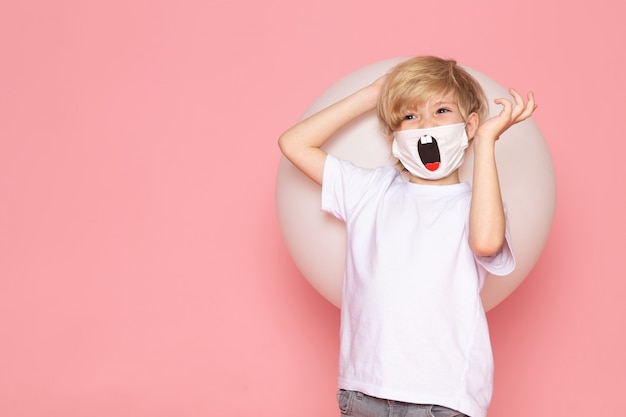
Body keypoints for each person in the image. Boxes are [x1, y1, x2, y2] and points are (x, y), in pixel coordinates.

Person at [278, 56, 536, 417]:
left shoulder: (478, 205)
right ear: (392, 135)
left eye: (442, 110)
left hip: (443, 397)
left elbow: (486, 243)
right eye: (410, 116)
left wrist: (486, 142)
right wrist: (373, 95)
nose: (426, 126)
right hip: (365, 391)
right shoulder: (368, 191)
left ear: (470, 123)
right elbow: (294, 144)